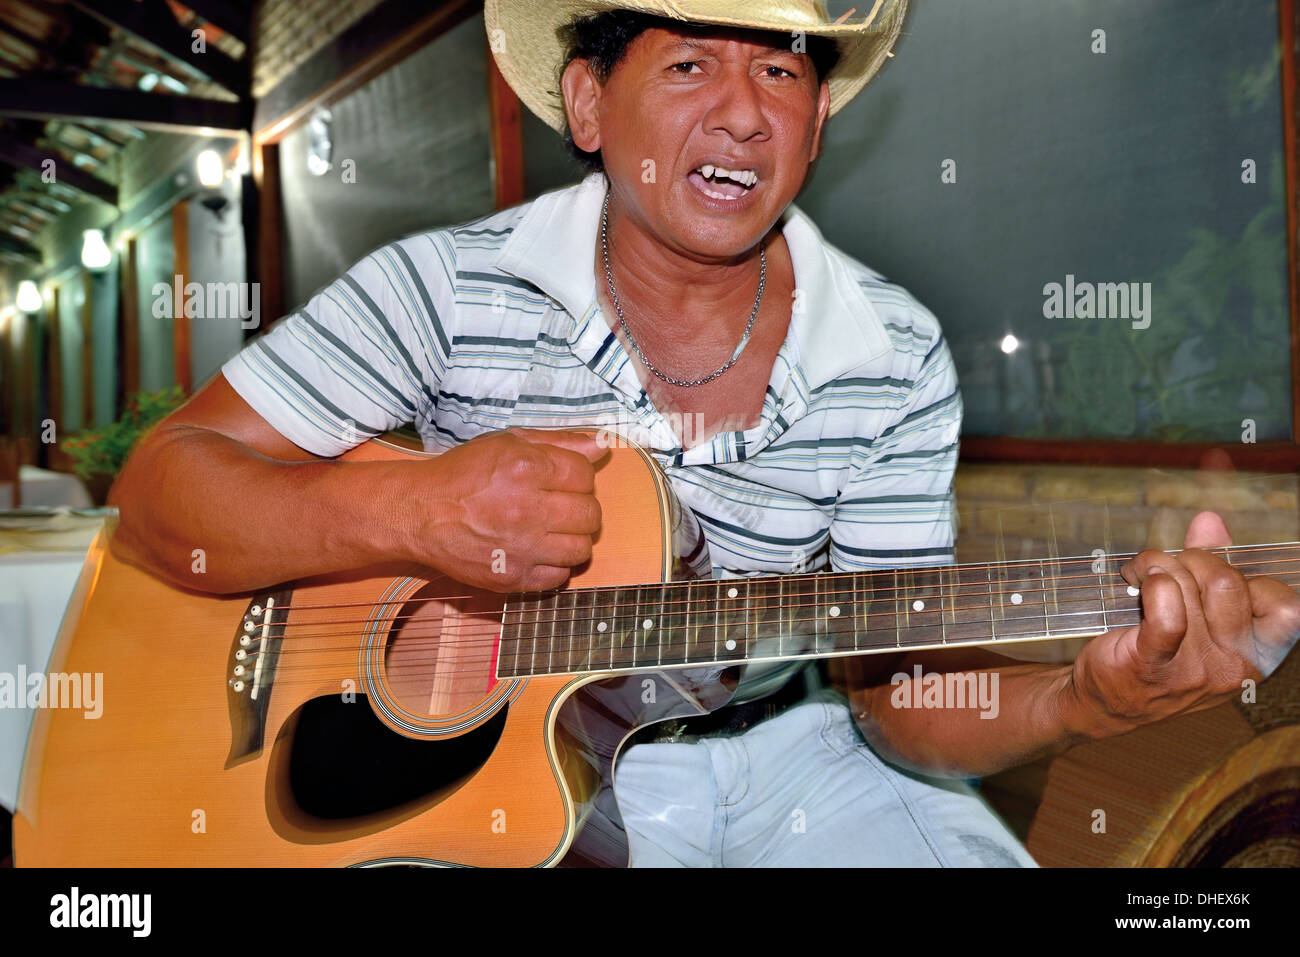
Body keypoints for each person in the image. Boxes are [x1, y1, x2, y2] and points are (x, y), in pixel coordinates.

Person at [110, 0, 1300, 867]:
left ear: (819, 118)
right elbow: (166, 489)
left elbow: (896, 694)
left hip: (799, 749)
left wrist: (1079, 707)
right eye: (688, 62)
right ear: (587, 102)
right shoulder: (441, 290)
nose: (742, 115)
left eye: (782, 73)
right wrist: (400, 510)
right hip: (473, 785)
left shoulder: (890, 353)